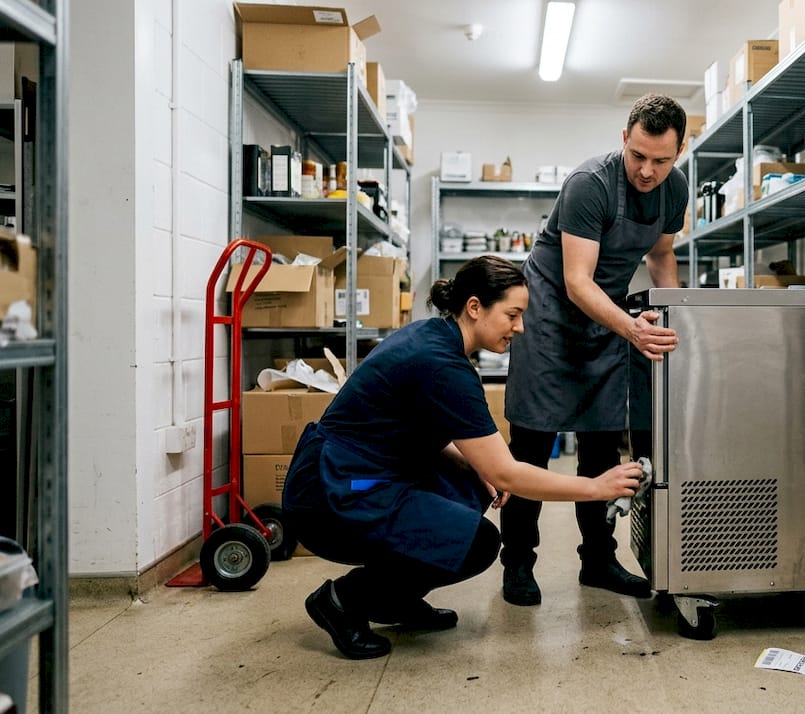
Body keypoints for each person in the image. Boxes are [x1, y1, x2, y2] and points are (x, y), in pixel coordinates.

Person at [282, 255, 644, 660]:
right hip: (334, 492)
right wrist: (596, 487)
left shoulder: (434, 336)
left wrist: (475, 465)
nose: (520, 327)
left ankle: (394, 600)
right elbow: (507, 473)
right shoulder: (443, 365)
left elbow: (420, 430)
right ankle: (343, 599)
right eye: (512, 314)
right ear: (475, 307)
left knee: (467, 487)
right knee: (476, 542)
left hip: (356, 474)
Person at [501, 93, 688, 606]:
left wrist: (671, 318)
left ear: (679, 152)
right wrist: (631, 328)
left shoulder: (675, 190)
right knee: (532, 448)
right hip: (554, 318)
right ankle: (517, 561)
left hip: (608, 319)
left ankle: (599, 561)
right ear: (623, 139)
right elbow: (577, 281)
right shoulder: (590, 185)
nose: (648, 170)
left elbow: (662, 254)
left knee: (602, 447)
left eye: (661, 160)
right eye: (638, 156)